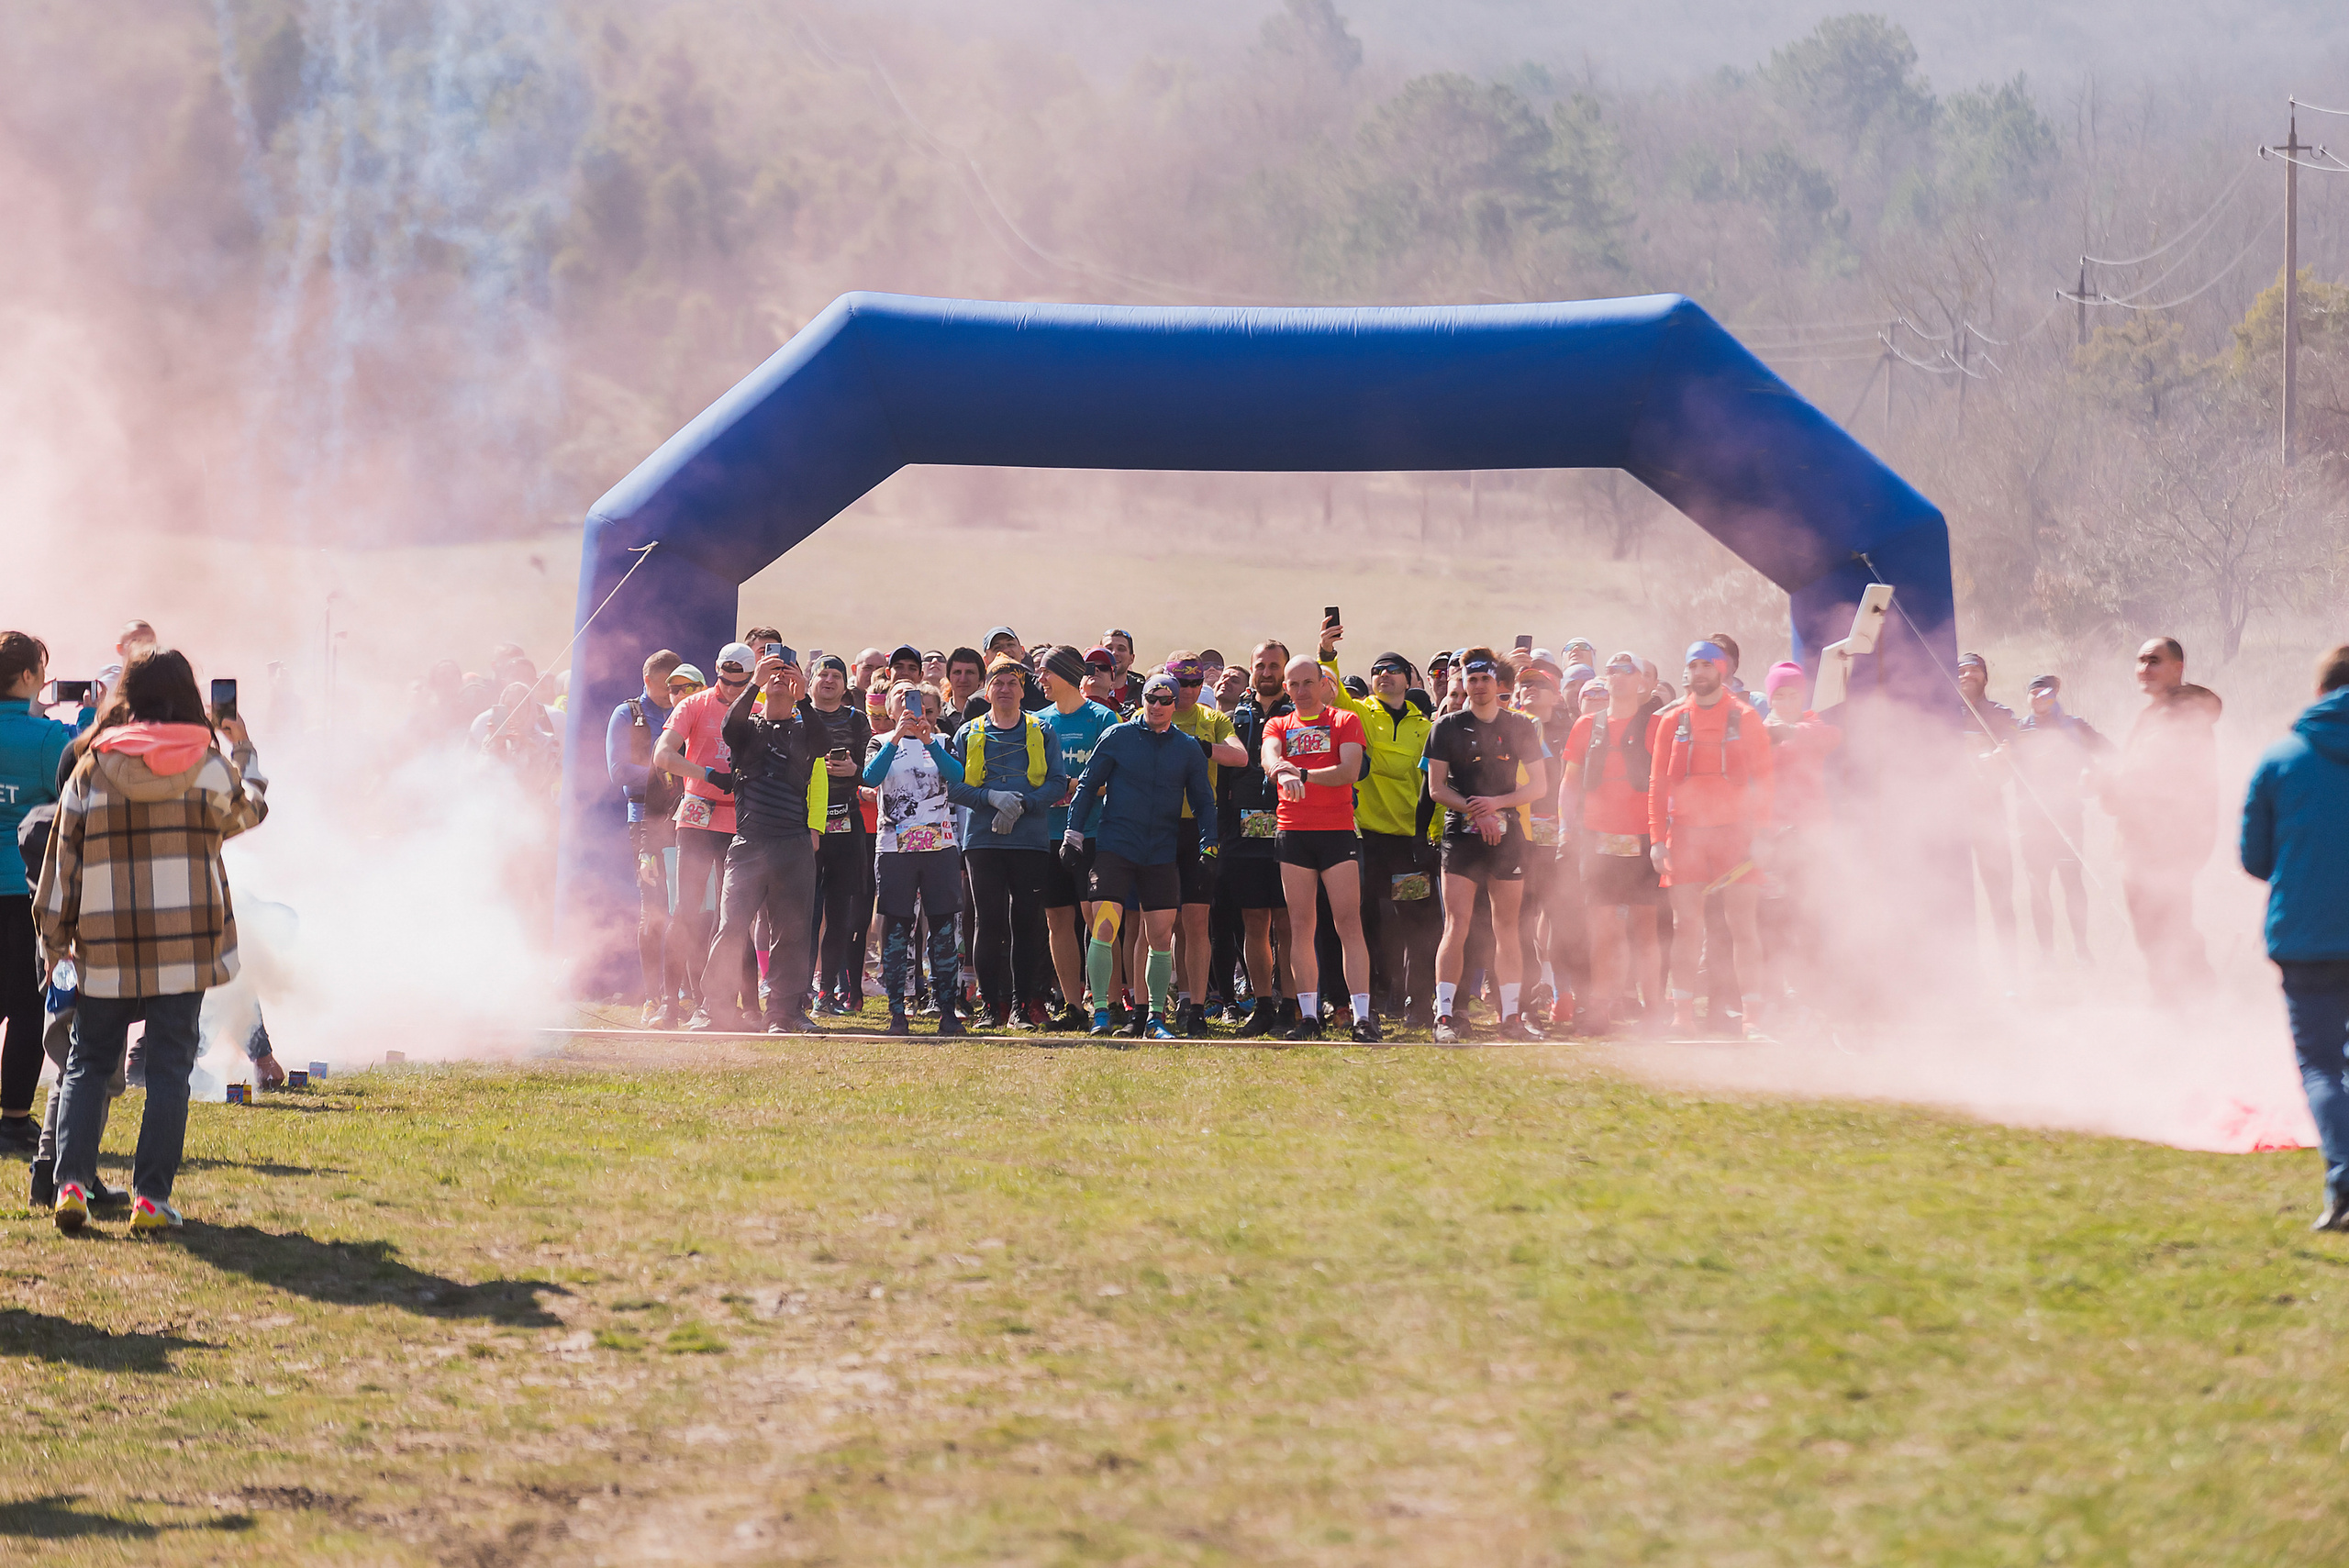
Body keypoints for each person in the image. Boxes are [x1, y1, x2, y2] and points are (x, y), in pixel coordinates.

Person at [37, 648, 268, 1233]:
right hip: (185, 942)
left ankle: (70, 1186)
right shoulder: (211, 765)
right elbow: (249, 813)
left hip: (104, 940)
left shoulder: (92, 766)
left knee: (88, 1060)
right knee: (169, 1067)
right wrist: (244, 751)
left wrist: (55, 935)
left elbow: (61, 856)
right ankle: (150, 1199)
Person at [2240, 645, 2349, 1229]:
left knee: (2322, 1066)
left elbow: (2255, 858)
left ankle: (2346, 1177)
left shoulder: (2282, 757)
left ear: (2319, 691)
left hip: (2308, 936)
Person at [1065, 671, 1218, 1040]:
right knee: (1104, 927)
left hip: (1160, 852)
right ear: (1142, 699)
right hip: (1116, 846)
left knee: (1161, 936)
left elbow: (1203, 801)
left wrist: (1209, 844)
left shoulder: (1187, 747)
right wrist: (1073, 833)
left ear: (1176, 702)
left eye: (1167, 700)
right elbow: (1087, 785)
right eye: (1152, 698)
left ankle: (1155, 1019)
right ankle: (1101, 1010)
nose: (1159, 706)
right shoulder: (1118, 735)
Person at [1424, 648, 1550, 1044]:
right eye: (1471, 680)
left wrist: (1496, 805)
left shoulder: (1522, 726)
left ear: (1498, 684)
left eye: (1485, 680)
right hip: (1461, 835)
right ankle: (1444, 1016)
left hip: (1508, 836)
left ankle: (1510, 1016)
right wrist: (1476, 811)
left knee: (1506, 927)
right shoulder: (1445, 727)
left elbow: (1540, 787)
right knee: (1457, 924)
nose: (1478, 687)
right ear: (1463, 683)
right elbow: (1436, 788)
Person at [1648, 640, 1773, 1039]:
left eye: (1706, 665)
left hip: (1736, 836)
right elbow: (1657, 783)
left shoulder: (1746, 717)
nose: (1698, 672)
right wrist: (1656, 838)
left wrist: (1763, 835)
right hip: (1684, 835)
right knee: (1686, 925)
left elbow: (1765, 781)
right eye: (1693, 665)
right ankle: (1682, 1015)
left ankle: (1752, 1017)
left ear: (1723, 670)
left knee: (1743, 926)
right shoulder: (1671, 720)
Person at [1319, 621, 1440, 1029]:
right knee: (1359, 922)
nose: (1383, 674)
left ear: (1409, 679)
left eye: (1392, 669)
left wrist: (1429, 836)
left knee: (1415, 926)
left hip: (1408, 842)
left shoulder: (1426, 729)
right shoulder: (1362, 717)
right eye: (1377, 670)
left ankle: (1418, 1004)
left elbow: (1434, 785)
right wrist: (1327, 652)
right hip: (1364, 841)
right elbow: (1331, 691)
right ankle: (1359, 1004)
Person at [706, 649, 828, 1033]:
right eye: (771, 671)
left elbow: (822, 743)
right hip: (748, 844)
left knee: (791, 933)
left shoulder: (805, 729)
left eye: (784, 672)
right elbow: (728, 727)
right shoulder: (747, 728)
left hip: (792, 844)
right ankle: (716, 1010)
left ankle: (783, 1014)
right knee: (730, 927)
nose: (778, 677)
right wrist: (755, 682)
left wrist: (805, 697)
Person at [948, 654, 1067, 1028]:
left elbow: (1058, 782)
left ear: (1022, 690)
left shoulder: (1042, 731)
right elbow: (953, 786)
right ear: (987, 688)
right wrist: (990, 799)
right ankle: (991, 1006)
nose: (1004, 689)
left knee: (1027, 921)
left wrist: (1022, 805)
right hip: (983, 840)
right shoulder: (968, 732)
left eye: (1012, 683)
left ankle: (1021, 1004)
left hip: (1029, 840)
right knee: (988, 921)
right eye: (997, 683)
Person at [2101, 637, 2222, 1006]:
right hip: (2146, 843)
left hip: (2165, 845)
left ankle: (2184, 1010)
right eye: (2140, 661)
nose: (2144, 669)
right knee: (2161, 933)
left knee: (2165, 934)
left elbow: (2157, 782)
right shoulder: (2159, 712)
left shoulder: (2179, 715)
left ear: (2177, 668)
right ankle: (2193, 1004)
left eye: (2154, 661)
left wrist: (2106, 786)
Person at [1262, 655, 1375, 1042]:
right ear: (1286, 688)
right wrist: (1279, 768)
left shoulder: (1345, 720)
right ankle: (1308, 1017)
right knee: (1300, 926)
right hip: (1293, 832)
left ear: (1324, 684)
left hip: (1337, 831)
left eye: (1309, 682)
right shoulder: (1278, 723)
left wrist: (1302, 773)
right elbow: (1269, 754)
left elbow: (1349, 770)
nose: (1301, 691)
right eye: (1294, 684)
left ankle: (1362, 1016)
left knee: (1348, 924)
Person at [1564, 652, 1664, 1036]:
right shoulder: (1586, 726)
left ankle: (1653, 1010)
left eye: (1627, 671)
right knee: (1602, 930)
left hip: (1643, 839)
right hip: (1597, 839)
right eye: (1612, 671)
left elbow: (1667, 783)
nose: (1617, 678)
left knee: (1645, 930)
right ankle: (1600, 1010)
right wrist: (1565, 832)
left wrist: (1664, 836)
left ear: (1642, 681)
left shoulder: (1658, 725)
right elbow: (1569, 783)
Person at [1, 632, 74, 1158]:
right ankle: (13, 1122)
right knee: (27, 1007)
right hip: (22, 889)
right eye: (41, 671)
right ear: (27, 677)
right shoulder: (47, 740)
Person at [862, 681, 966, 1036]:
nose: (910, 707)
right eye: (902, 700)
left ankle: (947, 1011)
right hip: (894, 848)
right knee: (896, 929)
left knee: (942, 928)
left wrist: (926, 740)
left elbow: (957, 776)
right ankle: (897, 1012)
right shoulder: (879, 742)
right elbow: (871, 777)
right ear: (890, 709)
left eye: (918, 701)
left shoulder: (941, 742)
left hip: (940, 848)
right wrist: (896, 739)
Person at [655, 643, 751, 1025]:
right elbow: (663, 755)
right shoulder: (693, 705)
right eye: (724, 681)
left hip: (738, 820)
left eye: (738, 683)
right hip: (697, 814)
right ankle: (670, 1003)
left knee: (733, 916)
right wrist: (708, 775)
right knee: (686, 911)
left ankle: (728, 1003)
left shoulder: (756, 709)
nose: (729, 689)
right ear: (716, 673)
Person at [1035, 647, 1121, 1031]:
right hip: (1049, 833)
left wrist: (1078, 788)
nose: (1040, 681)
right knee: (1058, 917)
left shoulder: (1103, 718)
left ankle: (1111, 1002)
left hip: (1094, 832)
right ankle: (1074, 1006)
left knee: (1098, 917)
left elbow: (1115, 778)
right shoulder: (1037, 721)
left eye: (1046, 673)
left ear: (1066, 674)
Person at [1163, 652, 1248, 1035]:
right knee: (1161, 924)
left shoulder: (1212, 718)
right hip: (1159, 827)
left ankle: (1196, 1006)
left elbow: (1241, 756)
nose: (1190, 690)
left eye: (1198, 683)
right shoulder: (1149, 711)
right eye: (1182, 682)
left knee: (1196, 922)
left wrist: (1204, 748)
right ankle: (1163, 1005)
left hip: (1199, 827)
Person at [1218, 641, 1296, 1037]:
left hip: (1290, 830)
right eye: (1261, 666)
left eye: (1274, 665)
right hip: (1242, 836)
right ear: (1251, 671)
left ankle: (1295, 1006)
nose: (1267, 672)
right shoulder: (1233, 719)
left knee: (1289, 923)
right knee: (1254, 922)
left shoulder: (1297, 715)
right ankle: (1263, 1005)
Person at [1758, 661, 1842, 1017]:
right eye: (1781, 695)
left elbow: (1830, 738)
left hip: (1811, 835)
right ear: (1771, 698)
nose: (1787, 700)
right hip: (1773, 836)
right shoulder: (1759, 729)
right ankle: (1776, 991)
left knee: (1810, 912)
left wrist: (1789, 731)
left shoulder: (1813, 725)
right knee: (1775, 915)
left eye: (1793, 694)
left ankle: (1814, 989)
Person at [607, 649, 685, 1026]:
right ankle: (652, 998)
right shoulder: (627, 715)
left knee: (689, 909)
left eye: (677, 685)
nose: (671, 692)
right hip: (644, 822)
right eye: (665, 684)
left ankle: (686, 995)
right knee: (653, 910)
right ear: (647, 680)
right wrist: (671, 776)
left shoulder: (687, 711)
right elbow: (619, 770)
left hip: (687, 821)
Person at [2010, 673, 2109, 964]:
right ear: (2027, 697)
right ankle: (2046, 954)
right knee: (2038, 885)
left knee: (2072, 882)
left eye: (2048, 694)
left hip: (2068, 816)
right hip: (2031, 820)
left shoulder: (2074, 726)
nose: (2041, 698)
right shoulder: (2016, 731)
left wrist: (2091, 777)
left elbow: (2109, 753)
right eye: (2035, 693)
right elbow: (2001, 767)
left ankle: (2081, 948)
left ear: (2055, 697)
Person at [799, 654, 874, 1016]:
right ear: (811, 681)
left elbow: (873, 770)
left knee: (840, 912)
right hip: (804, 826)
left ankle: (828, 991)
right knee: (805, 913)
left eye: (836, 676)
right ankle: (801, 990)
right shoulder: (798, 715)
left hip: (847, 822)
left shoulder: (857, 720)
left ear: (846, 685)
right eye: (822, 674)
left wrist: (854, 769)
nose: (828, 680)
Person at [1957, 652, 2021, 965]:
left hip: (1990, 814)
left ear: (1985, 676)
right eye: (1961, 670)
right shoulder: (1943, 715)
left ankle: (2010, 970)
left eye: (1974, 670)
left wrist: (2003, 753)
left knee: (2000, 895)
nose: (1967, 675)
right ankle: (1961, 968)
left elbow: (2014, 749)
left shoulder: (1999, 713)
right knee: (1951, 894)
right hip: (1951, 816)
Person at [1101, 628, 1144, 712]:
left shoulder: (1143, 692)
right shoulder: (1086, 689)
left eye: (1121, 649)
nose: (1114, 653)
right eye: (1109, 648)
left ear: (1131, 659)